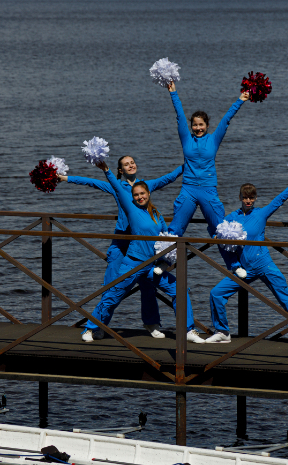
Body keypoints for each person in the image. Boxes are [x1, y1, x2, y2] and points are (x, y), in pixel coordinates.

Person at [81, 159, 205, 343]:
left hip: (152, 267)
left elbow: (166, 240)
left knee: (180, 290)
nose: (140, 197)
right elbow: (116, 187)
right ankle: (90, 328)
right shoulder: (131, 209)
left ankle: (188, 330)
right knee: (112, 296)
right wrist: (106, 169)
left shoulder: (156, 214)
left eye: (142, 194)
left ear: (148, 194)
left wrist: (164, 262)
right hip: (132, 263)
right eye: (136, 195)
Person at [57, 156, 181, 338]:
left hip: (141, 243)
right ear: (120, 170)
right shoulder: (117, 187)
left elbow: (167, 178)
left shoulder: (145, 186)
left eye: (132, 162)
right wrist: (65, 178)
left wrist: (188, 165)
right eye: (126, 164)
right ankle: (98, 326)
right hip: (121, 242)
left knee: (148, 286)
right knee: (112, 286)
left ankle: (151, 324)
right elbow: (91, 182)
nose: (131, 165)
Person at [205, 174, 288, 348]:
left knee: (286, 299)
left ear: (255, 198)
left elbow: (280, 198)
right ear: (240, 198)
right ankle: (222, 332)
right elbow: (217, 232)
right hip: (243, 270)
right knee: (216, 293)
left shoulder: (261, 213)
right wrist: (216, 238)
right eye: (245, 197)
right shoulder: (231, 217)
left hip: (265, 265)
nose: (248, 201)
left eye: (251, 198)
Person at [165, 80, 249, 237]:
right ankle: (164, 261)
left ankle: (233, 262)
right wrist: (173, 92)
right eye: (195, 125)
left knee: (221, 231)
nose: (198, 128)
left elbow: (226, 120)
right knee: (174, 230)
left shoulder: (213, 139)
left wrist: (240, 101)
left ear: (207, 125)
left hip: (208, 189)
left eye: (201, 125)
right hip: (188, 189)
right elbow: (180, 116)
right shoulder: (186, 139)